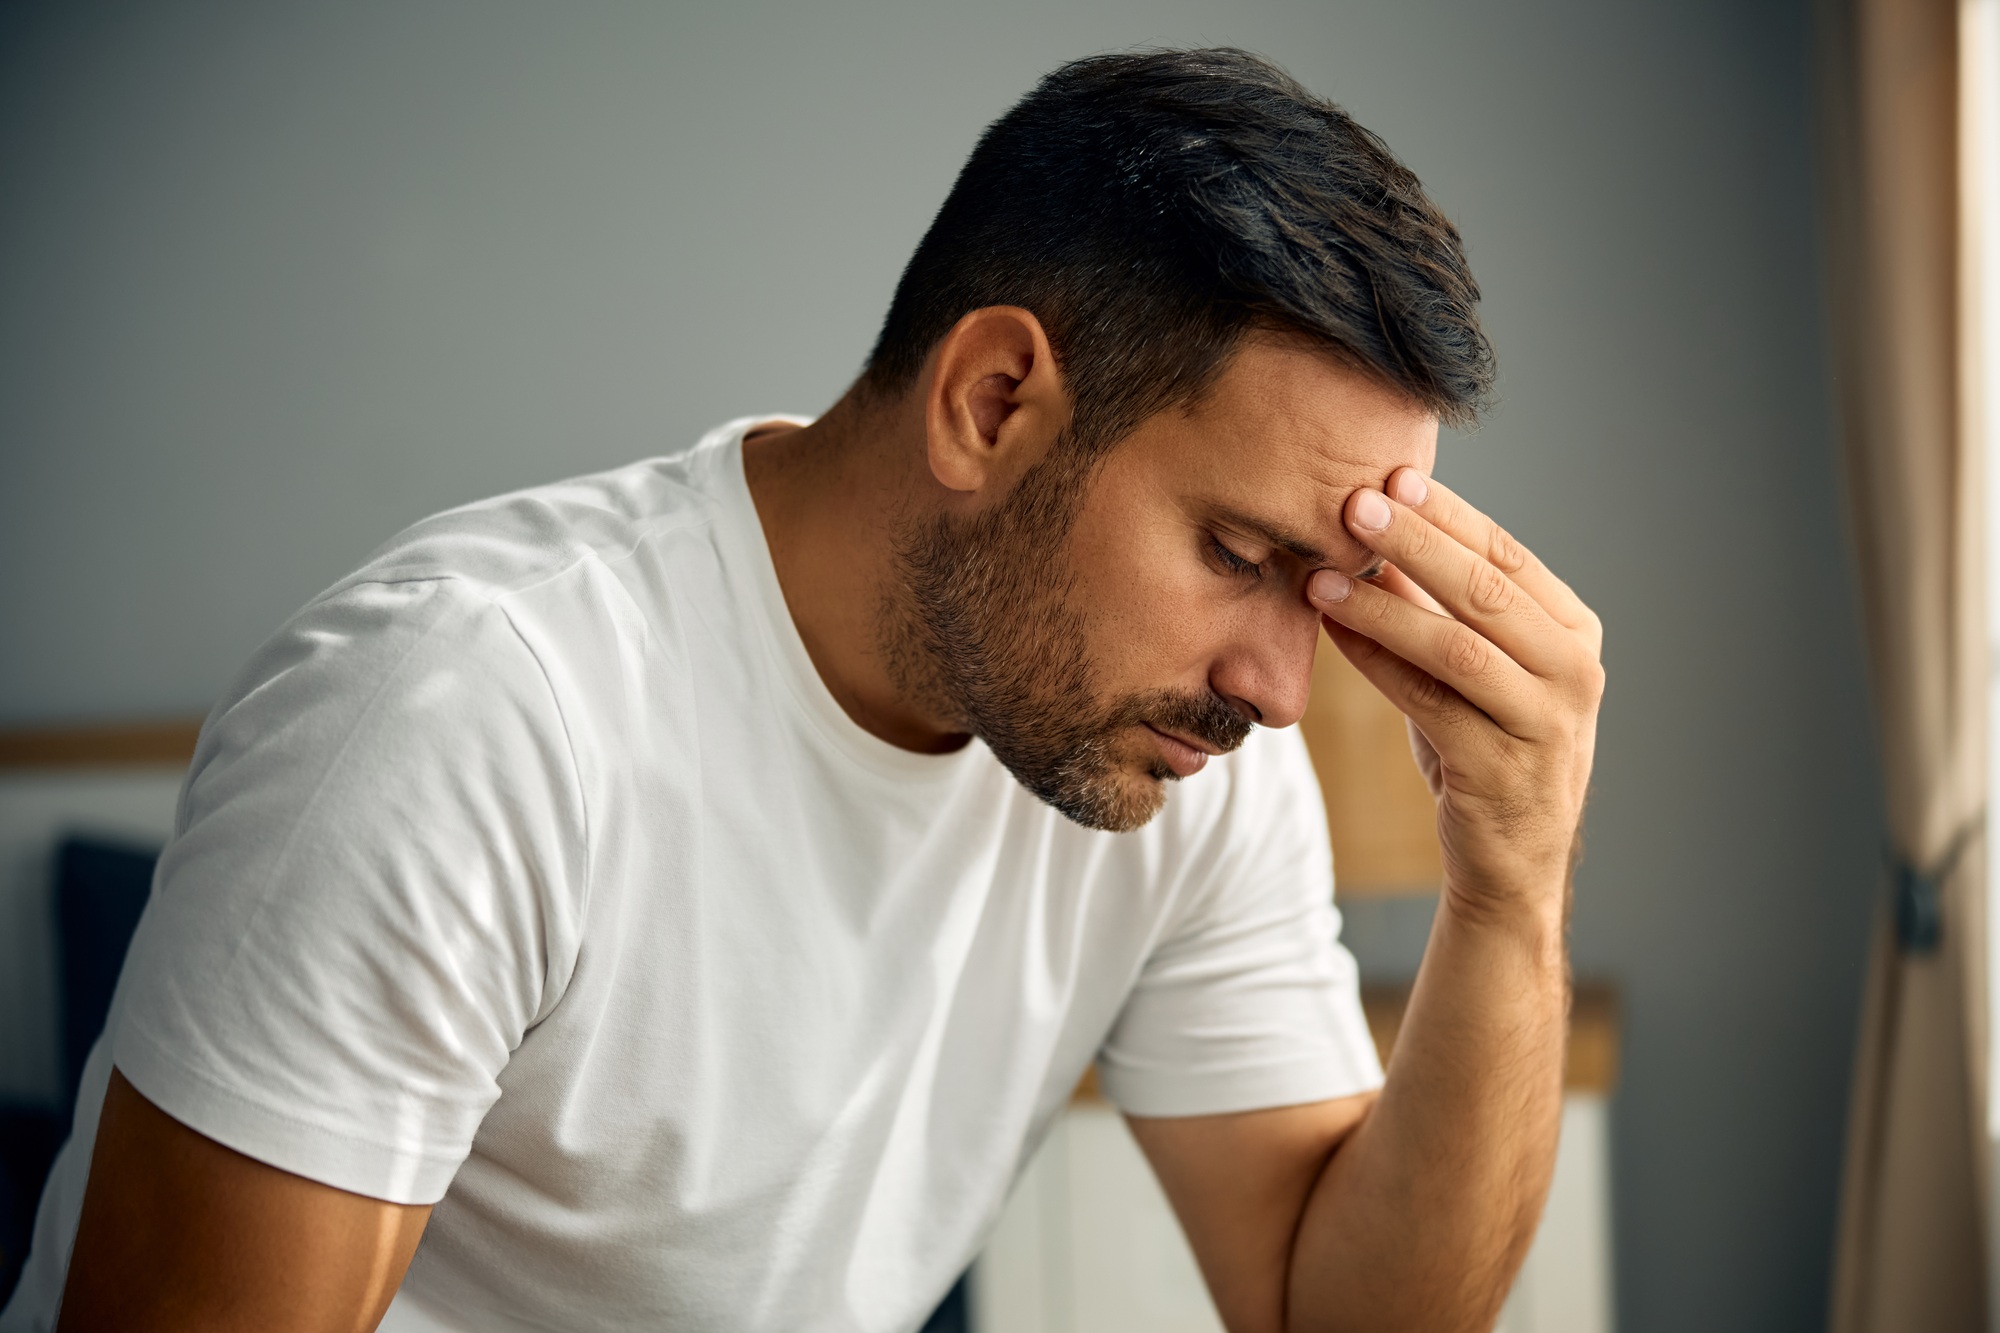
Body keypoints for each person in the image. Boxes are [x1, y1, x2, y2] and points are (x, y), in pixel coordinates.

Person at [4, 47, 1603, 1333]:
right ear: (992, 403)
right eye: (1240, 551)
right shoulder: (469, 718)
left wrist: (1510, 882)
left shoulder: (1191, 756)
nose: (1279, 688)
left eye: (1321, 588)